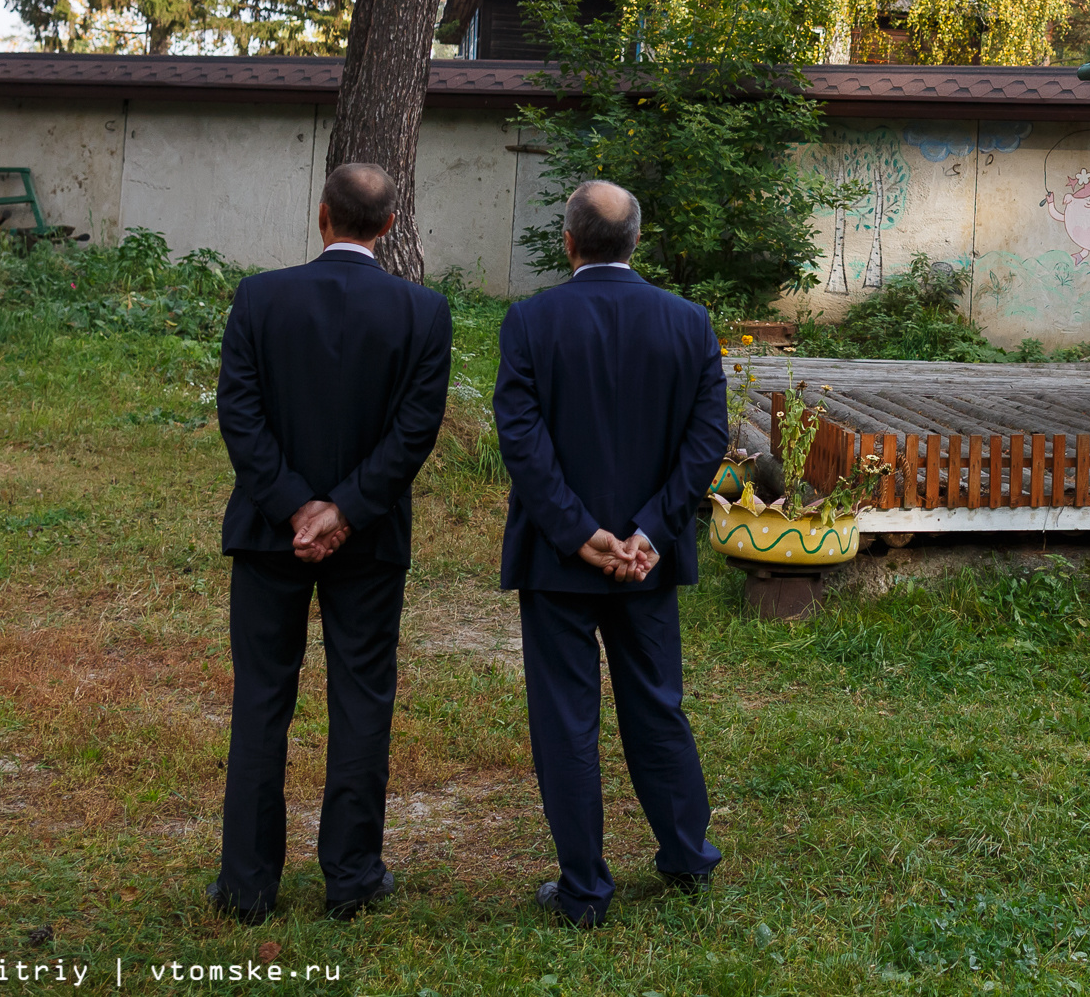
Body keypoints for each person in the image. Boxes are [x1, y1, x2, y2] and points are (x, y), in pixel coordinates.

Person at [208, 162, 453, 925]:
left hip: (268, 533)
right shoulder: (424, 311)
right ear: (389, 227)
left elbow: (240, 416)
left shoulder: (260, 296)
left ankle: (247, 886)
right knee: (361, 703)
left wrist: (292, 509)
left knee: (261, 702)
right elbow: (414, 432)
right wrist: (343, 510)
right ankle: (351, 878)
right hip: (370, 538)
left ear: (323, 217)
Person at [494, 179, 728, 927]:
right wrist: (650, 533)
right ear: (636, 242)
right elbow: (706, 440)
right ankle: (688, 856)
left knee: (566, 719)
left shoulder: (530, 322)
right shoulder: (689, 323)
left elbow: (522, 445)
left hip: (561, 561)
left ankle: (585, 889)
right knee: (657, 706)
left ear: (569, 242)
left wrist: (578, 534)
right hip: (645, 560)